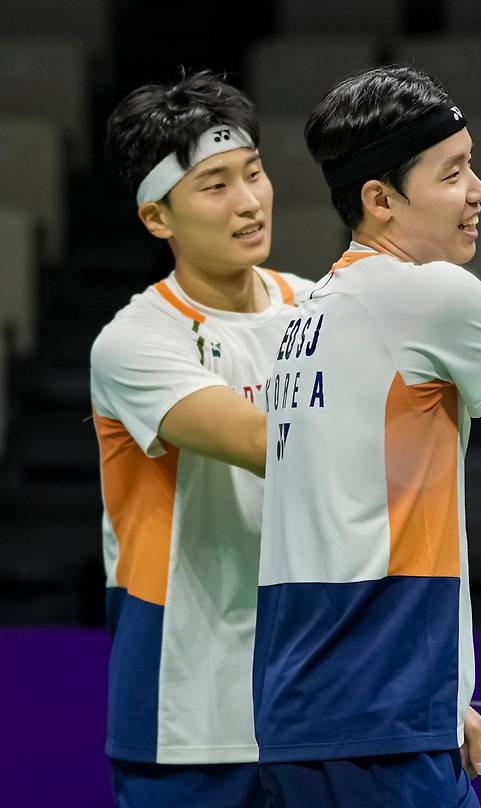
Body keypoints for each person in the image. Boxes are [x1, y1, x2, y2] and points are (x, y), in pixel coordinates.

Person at [253, 65, 481, 807]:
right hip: (380, 726)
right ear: (380, 199)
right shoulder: (432, 294)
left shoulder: (304, 318)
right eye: (453, 172)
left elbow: (345, 524)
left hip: (321, 714)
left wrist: (445, 702)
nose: (479, 189)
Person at [90, 70, 316, 807]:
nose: (249, 202)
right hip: (184, 712)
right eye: (215, 185)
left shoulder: (322, 312)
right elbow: (266, 444)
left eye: (253, 173)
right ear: (159, 219)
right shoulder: (135, 342)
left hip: (313, 704)